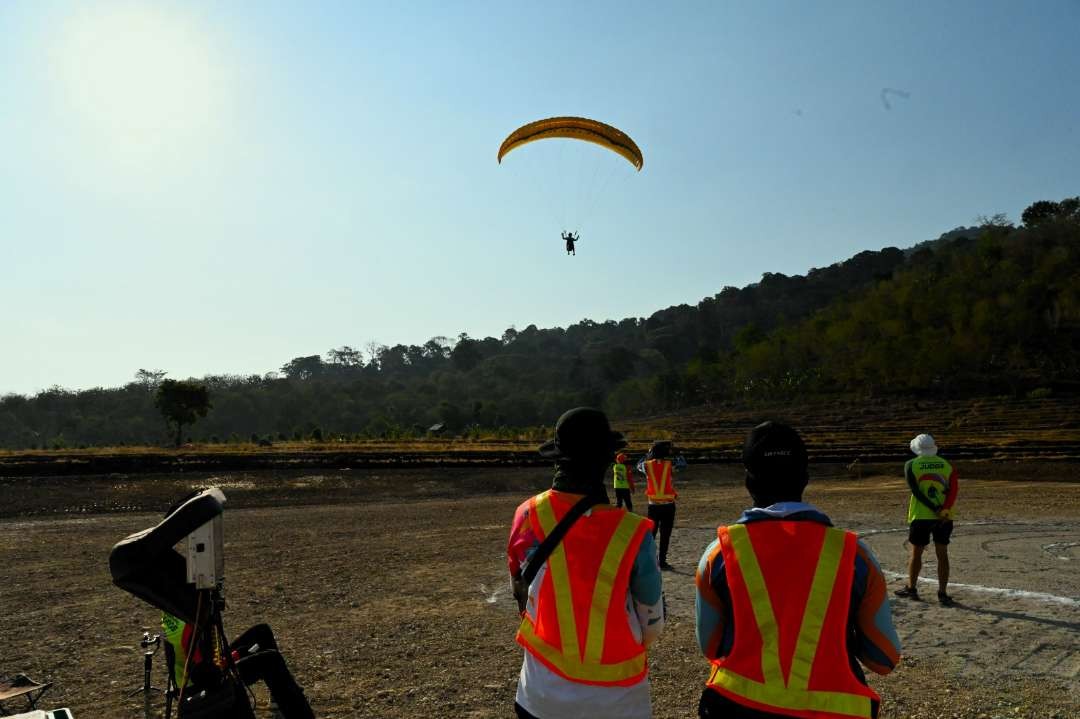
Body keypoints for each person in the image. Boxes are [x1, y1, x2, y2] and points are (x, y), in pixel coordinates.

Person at [695, 421, 900, 719]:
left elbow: (711, 647)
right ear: (805, 477)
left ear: (748, 481)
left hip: (738, 706)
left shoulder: (718, 553)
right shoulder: (854, 555)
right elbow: (884, 658)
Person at [508, 407, 664, 719]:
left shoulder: (526, 515)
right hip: (619, 698)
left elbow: (520, 591)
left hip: (540, 691)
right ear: (607, 461)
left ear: (557, 457)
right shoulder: (633, 532)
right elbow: (652, 621)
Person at [161, 612, 314, 719]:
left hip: (196, 672)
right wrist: (234, 657)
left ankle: (279, 698)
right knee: (270, 660)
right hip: (200, 686)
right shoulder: (192, 622)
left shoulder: (176, 608)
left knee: (261, 633)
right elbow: (205, 675)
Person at [894, 433, 959, 606]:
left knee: (916, 553)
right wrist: (943, 509)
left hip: (921, 515)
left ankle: (912, 588)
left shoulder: (911, 465)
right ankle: (943, 593)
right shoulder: (947, 465)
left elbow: (916, 492)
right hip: (944, 516)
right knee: (942, 554)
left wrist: (933, 508)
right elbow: (953, 491)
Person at [637, 440, 686, 570]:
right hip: (668, 505)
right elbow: (682, 463)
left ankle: (649, 560)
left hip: (653, 505)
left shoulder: (646, 465)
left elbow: (638, 465)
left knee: (651, 535)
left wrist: (648, 454)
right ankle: (662, 561)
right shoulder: (670, 465)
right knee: (665, 534)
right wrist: (677, 453)